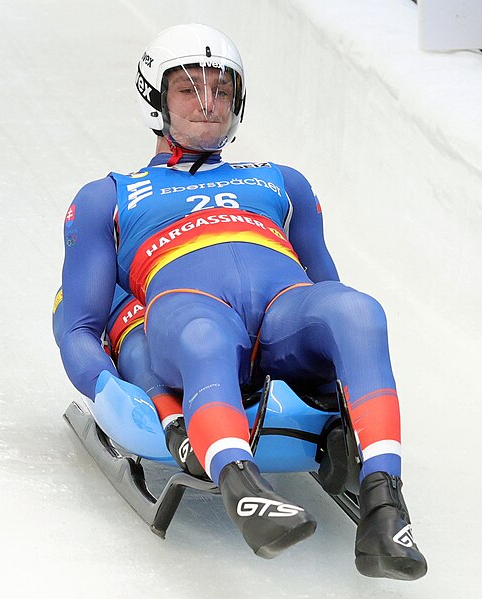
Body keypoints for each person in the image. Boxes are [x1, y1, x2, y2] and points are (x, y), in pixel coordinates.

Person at [54, 23, 427, 578]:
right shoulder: (110, 194)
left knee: (357, 310)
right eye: (188, 88)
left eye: (221, 91)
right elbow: (78, 322)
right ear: (156, 99)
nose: (208, 104)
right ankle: (241, 484)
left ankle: (384, 500)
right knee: (203, 334)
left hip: (284, 311)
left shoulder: (282, 181)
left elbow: (327, 284)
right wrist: (108, 390)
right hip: (190, 309)